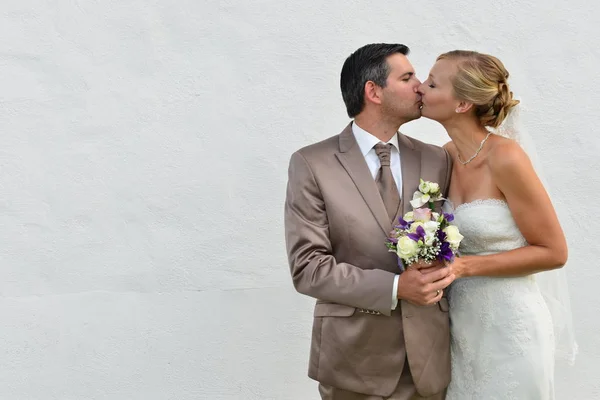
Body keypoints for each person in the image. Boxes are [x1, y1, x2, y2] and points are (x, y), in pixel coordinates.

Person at [284, 43, 455, 400]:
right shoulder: (312, 163)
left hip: (428, 360)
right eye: (407, 77)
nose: (420, 86)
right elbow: (308, 267)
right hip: (353, 361)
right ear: (373, 91)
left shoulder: (436, 159)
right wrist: (394, 289)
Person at [418, 50, 576, 399]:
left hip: (511, 328)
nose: (419, 88)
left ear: (461, 104)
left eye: (431, 83)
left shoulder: (506, 157)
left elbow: (554, 252)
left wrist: (464, 267)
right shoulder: (445, 155)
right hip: (462, 329)